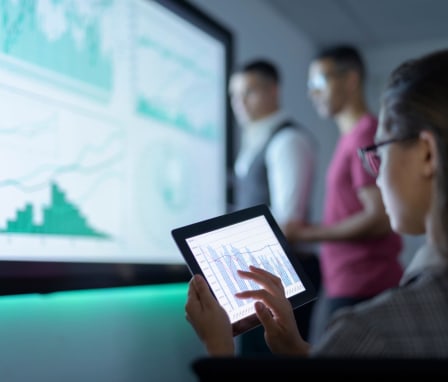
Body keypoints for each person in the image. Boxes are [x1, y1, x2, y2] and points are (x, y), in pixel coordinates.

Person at [185, 48, 448, 357]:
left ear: (427, 154)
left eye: (380, 153)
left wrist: (218, 347)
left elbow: (376, 217)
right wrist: (297, 349)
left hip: (358, 280)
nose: (377, 175)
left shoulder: (370, 330)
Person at [282, 45, 404, 343]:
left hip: (363, 285)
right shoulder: (353, 137)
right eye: (310, 86)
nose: (313, 94)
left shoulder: (365, 135)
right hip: (346, 282)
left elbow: (379, 218)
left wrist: (305, 234)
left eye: (320, 83)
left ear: (350, 80)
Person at [228, 59, 320, 353]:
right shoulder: (255, 140)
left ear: (273, 91)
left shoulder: (288, 140)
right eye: (234, 95)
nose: (239, 102)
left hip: (284, 278)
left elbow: (288, 223)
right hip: (262, 276)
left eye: (249, 92)